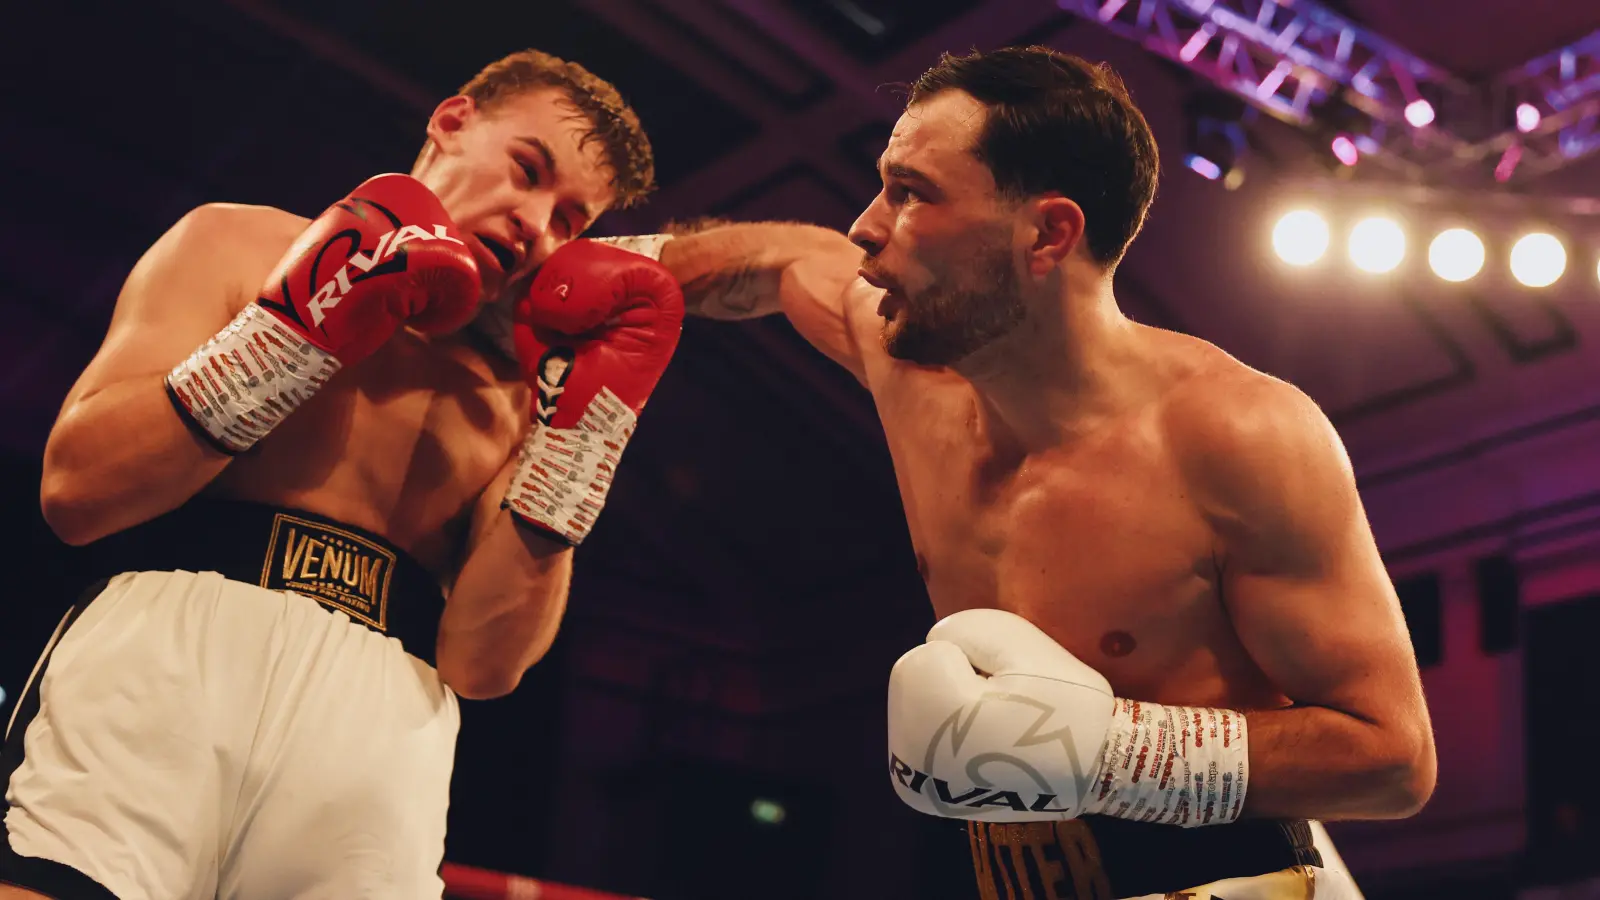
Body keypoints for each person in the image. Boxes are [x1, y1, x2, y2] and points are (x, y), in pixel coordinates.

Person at [618, 45, 1433, 898]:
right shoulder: (909, 362)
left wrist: (1105, 756)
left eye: (912, 193)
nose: (867, 224)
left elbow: (1390, 757)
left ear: (1047, 233)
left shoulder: (1238, 436)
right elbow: (785, 260)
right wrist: (565, 276)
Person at [3, 50, 683, 900]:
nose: (534, 227)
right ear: (451, 121)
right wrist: (292, 333)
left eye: (570, 221)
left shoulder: (521, 395)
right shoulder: (237, 240)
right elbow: (76, 492)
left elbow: (484, 665)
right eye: (527, 170)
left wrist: (576, 451)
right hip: (163, 660)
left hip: (386, 714)